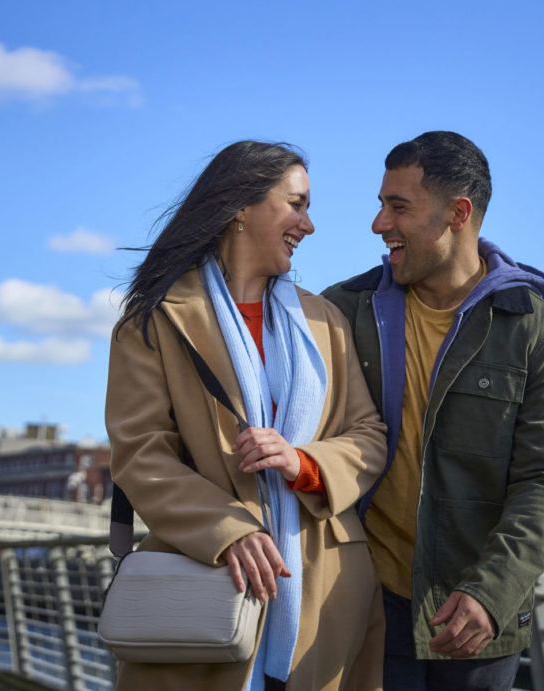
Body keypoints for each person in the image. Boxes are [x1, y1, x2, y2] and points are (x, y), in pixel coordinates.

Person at [105, 140, 388, 691]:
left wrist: (303, 462)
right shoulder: (154, 320)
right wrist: (227, 529)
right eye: (297, 204)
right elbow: (140, 453)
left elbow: (368, 436)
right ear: (240, 207)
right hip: (208, 579)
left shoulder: (325, 320)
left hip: (328, 595)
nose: (308, 225)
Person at [323, 131, 544, 691]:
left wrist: (491, 593)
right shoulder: (341, 312)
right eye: (380, 204)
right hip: (362, 605)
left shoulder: (543, 334)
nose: (379, 223)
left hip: (477, 621)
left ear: (458, 214)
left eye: (398, 207)